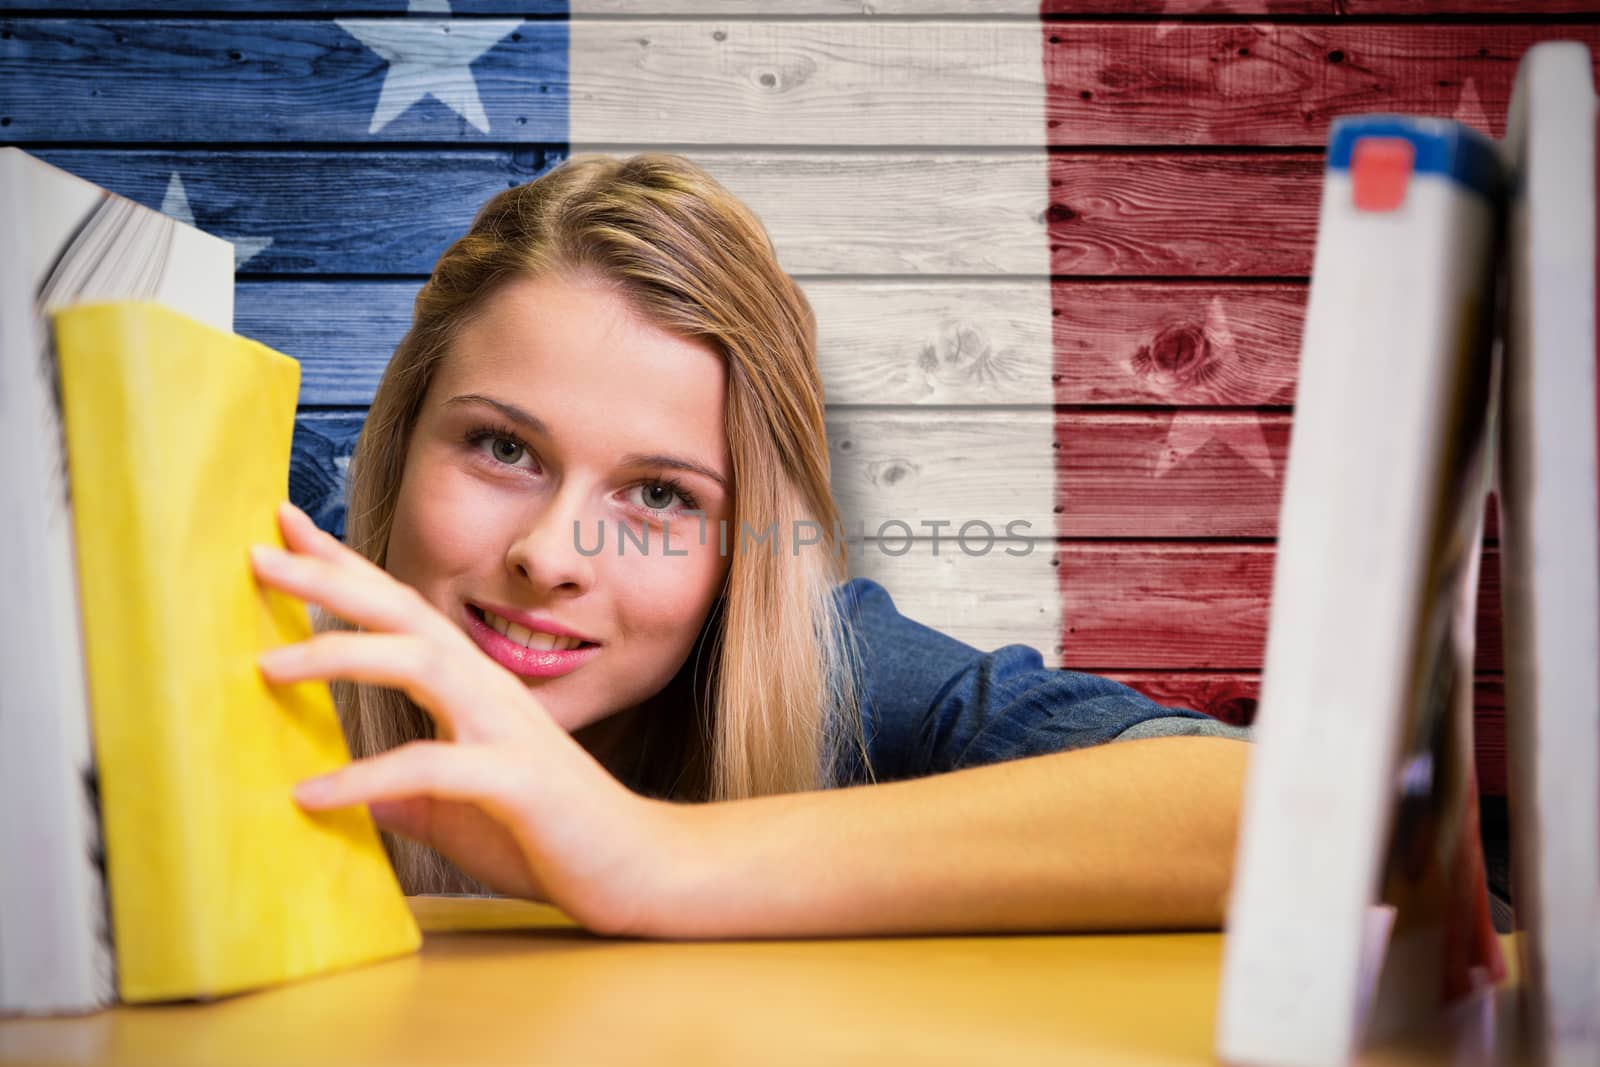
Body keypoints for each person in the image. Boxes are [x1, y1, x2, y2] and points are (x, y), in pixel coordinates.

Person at [249, 153, 1253, 941]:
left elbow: (1269, 814)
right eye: (502, 447)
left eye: (658, 493)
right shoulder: (261, 539)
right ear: (397, 438)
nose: (551, 554)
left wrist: (649, 855)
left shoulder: (825, 667)